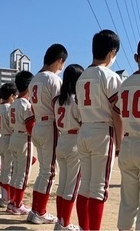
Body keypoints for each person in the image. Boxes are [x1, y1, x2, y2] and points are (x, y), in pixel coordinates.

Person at [75, 29, 123, 230]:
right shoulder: (110, 76)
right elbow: (117, 113)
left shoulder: (81, 77)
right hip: (103, 132)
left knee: (85, 187)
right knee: (98, 189)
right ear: (112, 52)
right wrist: (119, 144)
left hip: (84, 130)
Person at [28, 43, 67, 224]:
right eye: (62, 63)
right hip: (50, 125)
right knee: (49, 172)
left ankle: (35, 210)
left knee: (43, 171)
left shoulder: (34, 79)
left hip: (38, 124)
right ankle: (39, 212)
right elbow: (59, 106)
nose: (62, 67)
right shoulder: (54, 79)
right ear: (59, 60)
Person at [53, 64, 84, 230]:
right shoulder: (76, 99)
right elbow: (82, 120)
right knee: (72, 186)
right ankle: (65, 223)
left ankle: (60, 221)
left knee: (63, 184)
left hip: (62, 140)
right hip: (74, 141)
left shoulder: (58, 100)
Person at [114, 41, 140, 230]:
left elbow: (116, 112)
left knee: (127, 202)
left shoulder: (125, 84)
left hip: (128, 141)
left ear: (136, 58)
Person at [7, 71, 35, 215]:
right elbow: (30, 126)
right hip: (24, 137)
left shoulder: (13, 104)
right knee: (22, 174)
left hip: (14, 136)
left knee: (16, 172)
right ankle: (17, 203)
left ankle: (12, 202)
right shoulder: (26, 104)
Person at [0, 82, 17, 208]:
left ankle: (4, 197)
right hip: (9, 137)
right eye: (14, 96)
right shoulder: (9, 108)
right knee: (9, 170)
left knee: (4, 169)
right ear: (11, 96)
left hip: (2, 137)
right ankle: (6, 198)